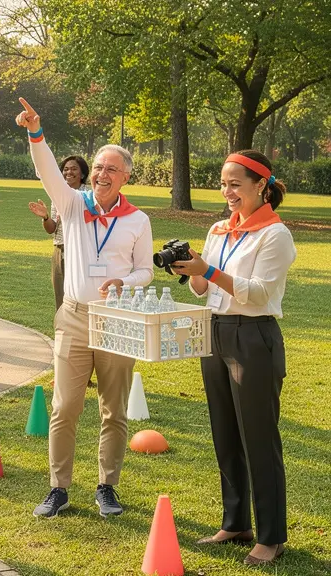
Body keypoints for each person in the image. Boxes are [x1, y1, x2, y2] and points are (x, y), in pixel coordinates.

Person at [15, 98, 154, 519]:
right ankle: (58, 488)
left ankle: (106, 486)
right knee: (64, 407)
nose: (101, 174)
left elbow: (146, 270)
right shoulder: (73, 203)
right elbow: (47, 171)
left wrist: (125, 282)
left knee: (114, 410)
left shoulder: (138, 220)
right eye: (97, 167)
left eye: (111, 168)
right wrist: (35, 132)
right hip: (74, 317)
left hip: (117, 321)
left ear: (126, 176)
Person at [170, 150, 295, 566]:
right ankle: (236, 522)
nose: (227, 191)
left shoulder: (275, 234)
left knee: (258, 438)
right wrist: (192, 272)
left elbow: (257, 293)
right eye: (223, 184)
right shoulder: (219, 229)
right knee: (225, 433)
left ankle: (271, 537)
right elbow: (203, 289)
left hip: (253, 337)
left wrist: (207, 271)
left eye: (235, 184)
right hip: (215, 332)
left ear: (261, 185)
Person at [28, 155, 90, 310]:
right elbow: (52, 229)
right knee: (60, 296)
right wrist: (45, 217)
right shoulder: (57, 195)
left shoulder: (90, 196)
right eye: (66, 169)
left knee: (82, 296)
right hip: (60, 250)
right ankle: (62, 325)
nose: (69, 172)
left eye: (74, 169)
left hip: (82, 251)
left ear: (82, 174)